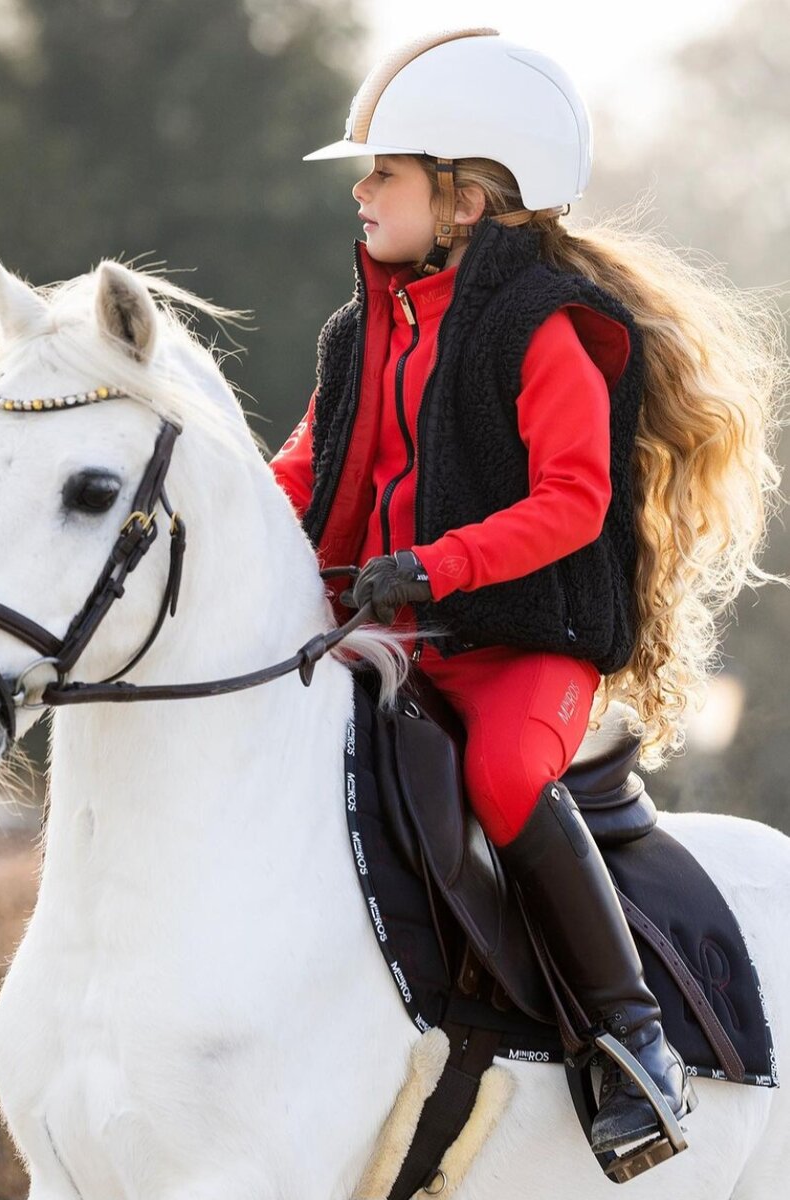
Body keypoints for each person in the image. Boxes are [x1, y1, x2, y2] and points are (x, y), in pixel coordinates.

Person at [269, 27, 785, 1156]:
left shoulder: (543, 327)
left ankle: (632, 1042)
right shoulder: (356, 334)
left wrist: (438, 565)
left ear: (465, 196)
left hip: (525, 647)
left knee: (503, 773)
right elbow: (298, 478)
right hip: (404, 644)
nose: (361, 193)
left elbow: (573, 500)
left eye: (383, 173)